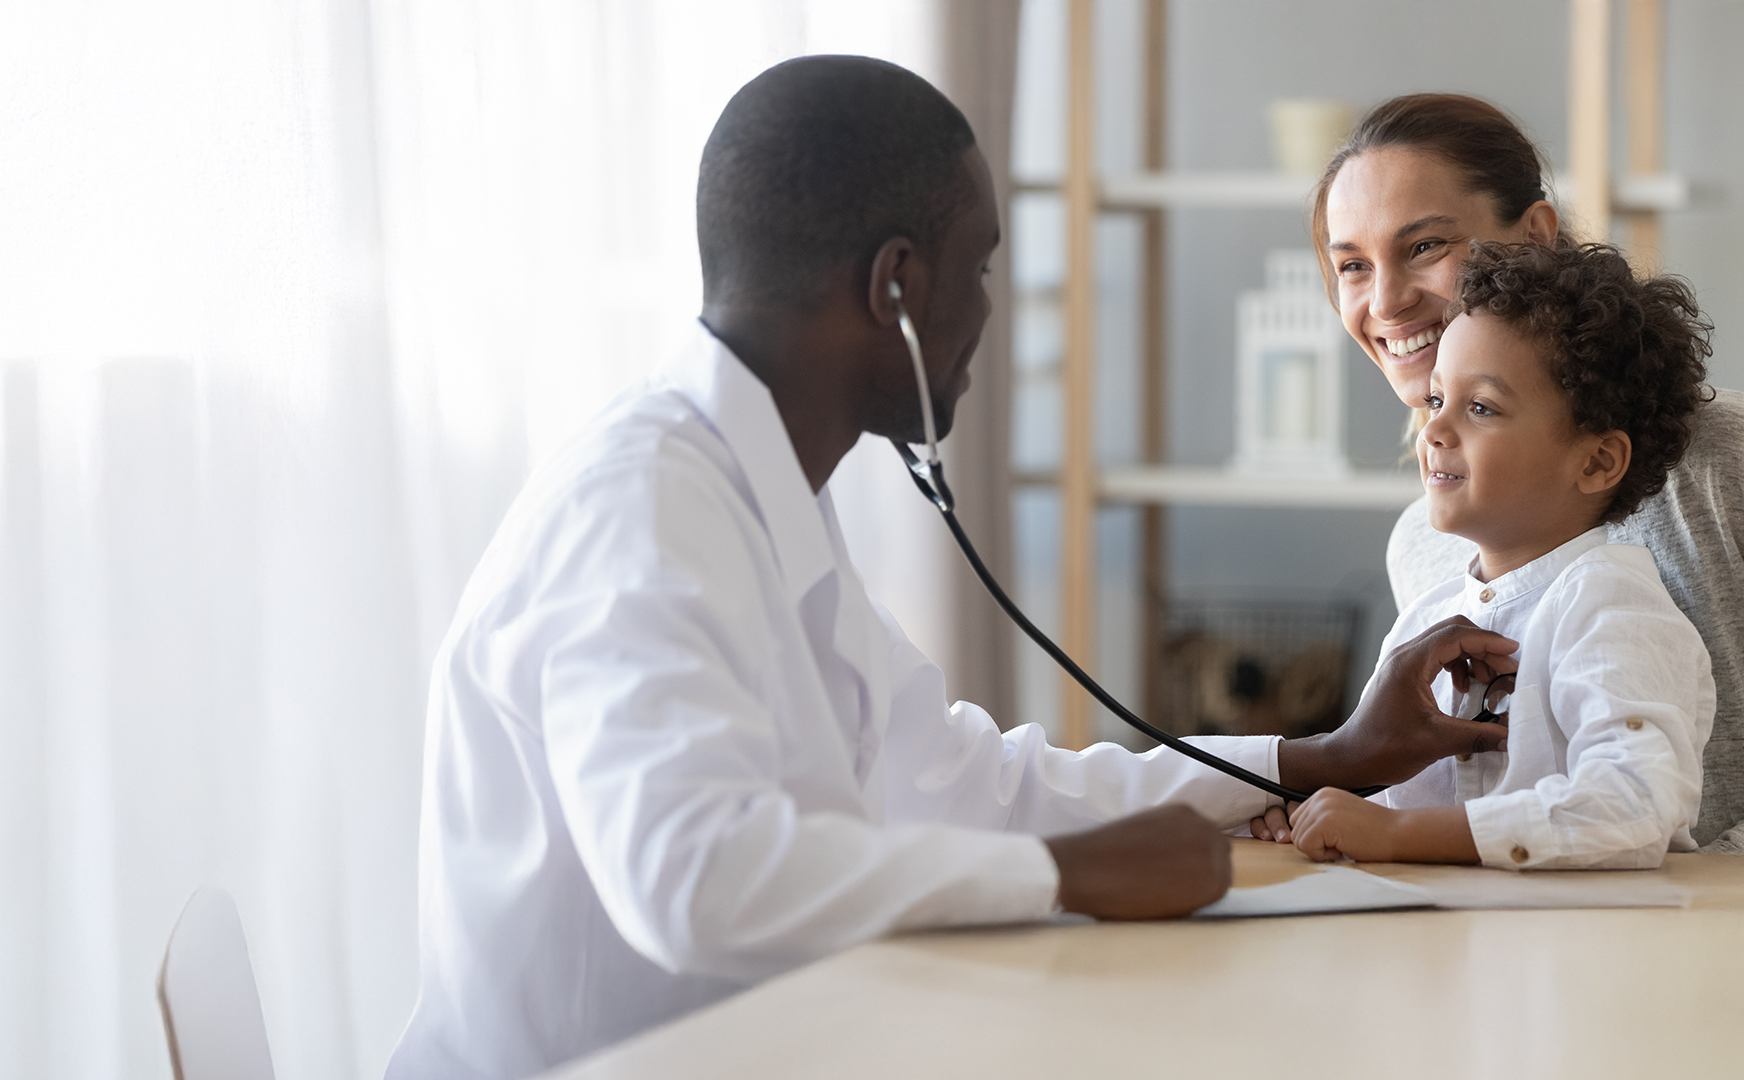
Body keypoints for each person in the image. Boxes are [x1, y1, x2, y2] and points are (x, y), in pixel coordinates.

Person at [384, 58, 1516, 1080]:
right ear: (896, 288)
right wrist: (1067, 879)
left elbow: (976, 782)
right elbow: (695, 881)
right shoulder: (640, 510)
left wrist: (1322, 754)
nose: (987, 311)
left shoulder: (765, 496)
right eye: (977, 269)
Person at [1249, 94, 1744, 851]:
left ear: (1536, 237)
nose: (1385, 300)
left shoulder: (1720, 460)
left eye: (1424, 247)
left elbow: (1629, 802)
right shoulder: (1428, 543)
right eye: (1352, 265)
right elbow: (1447, 786)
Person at [1287, 242, 1715, 868]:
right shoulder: (1424, 624)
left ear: (1596, 461)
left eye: (1480, 407)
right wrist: (1321, 810)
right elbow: (1384, 799)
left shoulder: (1612, 610)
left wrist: (1397, 835)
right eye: (1436, 400)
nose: (1433, 430)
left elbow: (1632, 806)